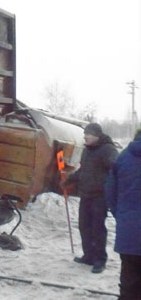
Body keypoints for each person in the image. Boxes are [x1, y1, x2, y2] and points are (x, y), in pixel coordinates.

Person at [63, 122, 118, 273]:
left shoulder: (108, 150)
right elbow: (83, 171)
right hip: (86, 195)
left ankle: (100, 260)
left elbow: (116, 170)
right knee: (84, 226)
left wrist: (111, 188)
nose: (85, 136)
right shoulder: (87, 151)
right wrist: (69, 179)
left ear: (97, 136)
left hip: (100, 196)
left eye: (88, 134)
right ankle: (89, 256)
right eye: (85, 133)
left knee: (97, 228)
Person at [105, 130, 141, 299]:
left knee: (129, 280)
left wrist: (123, 217)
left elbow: (110, 193)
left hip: (129, 232)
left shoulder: (124, 157)